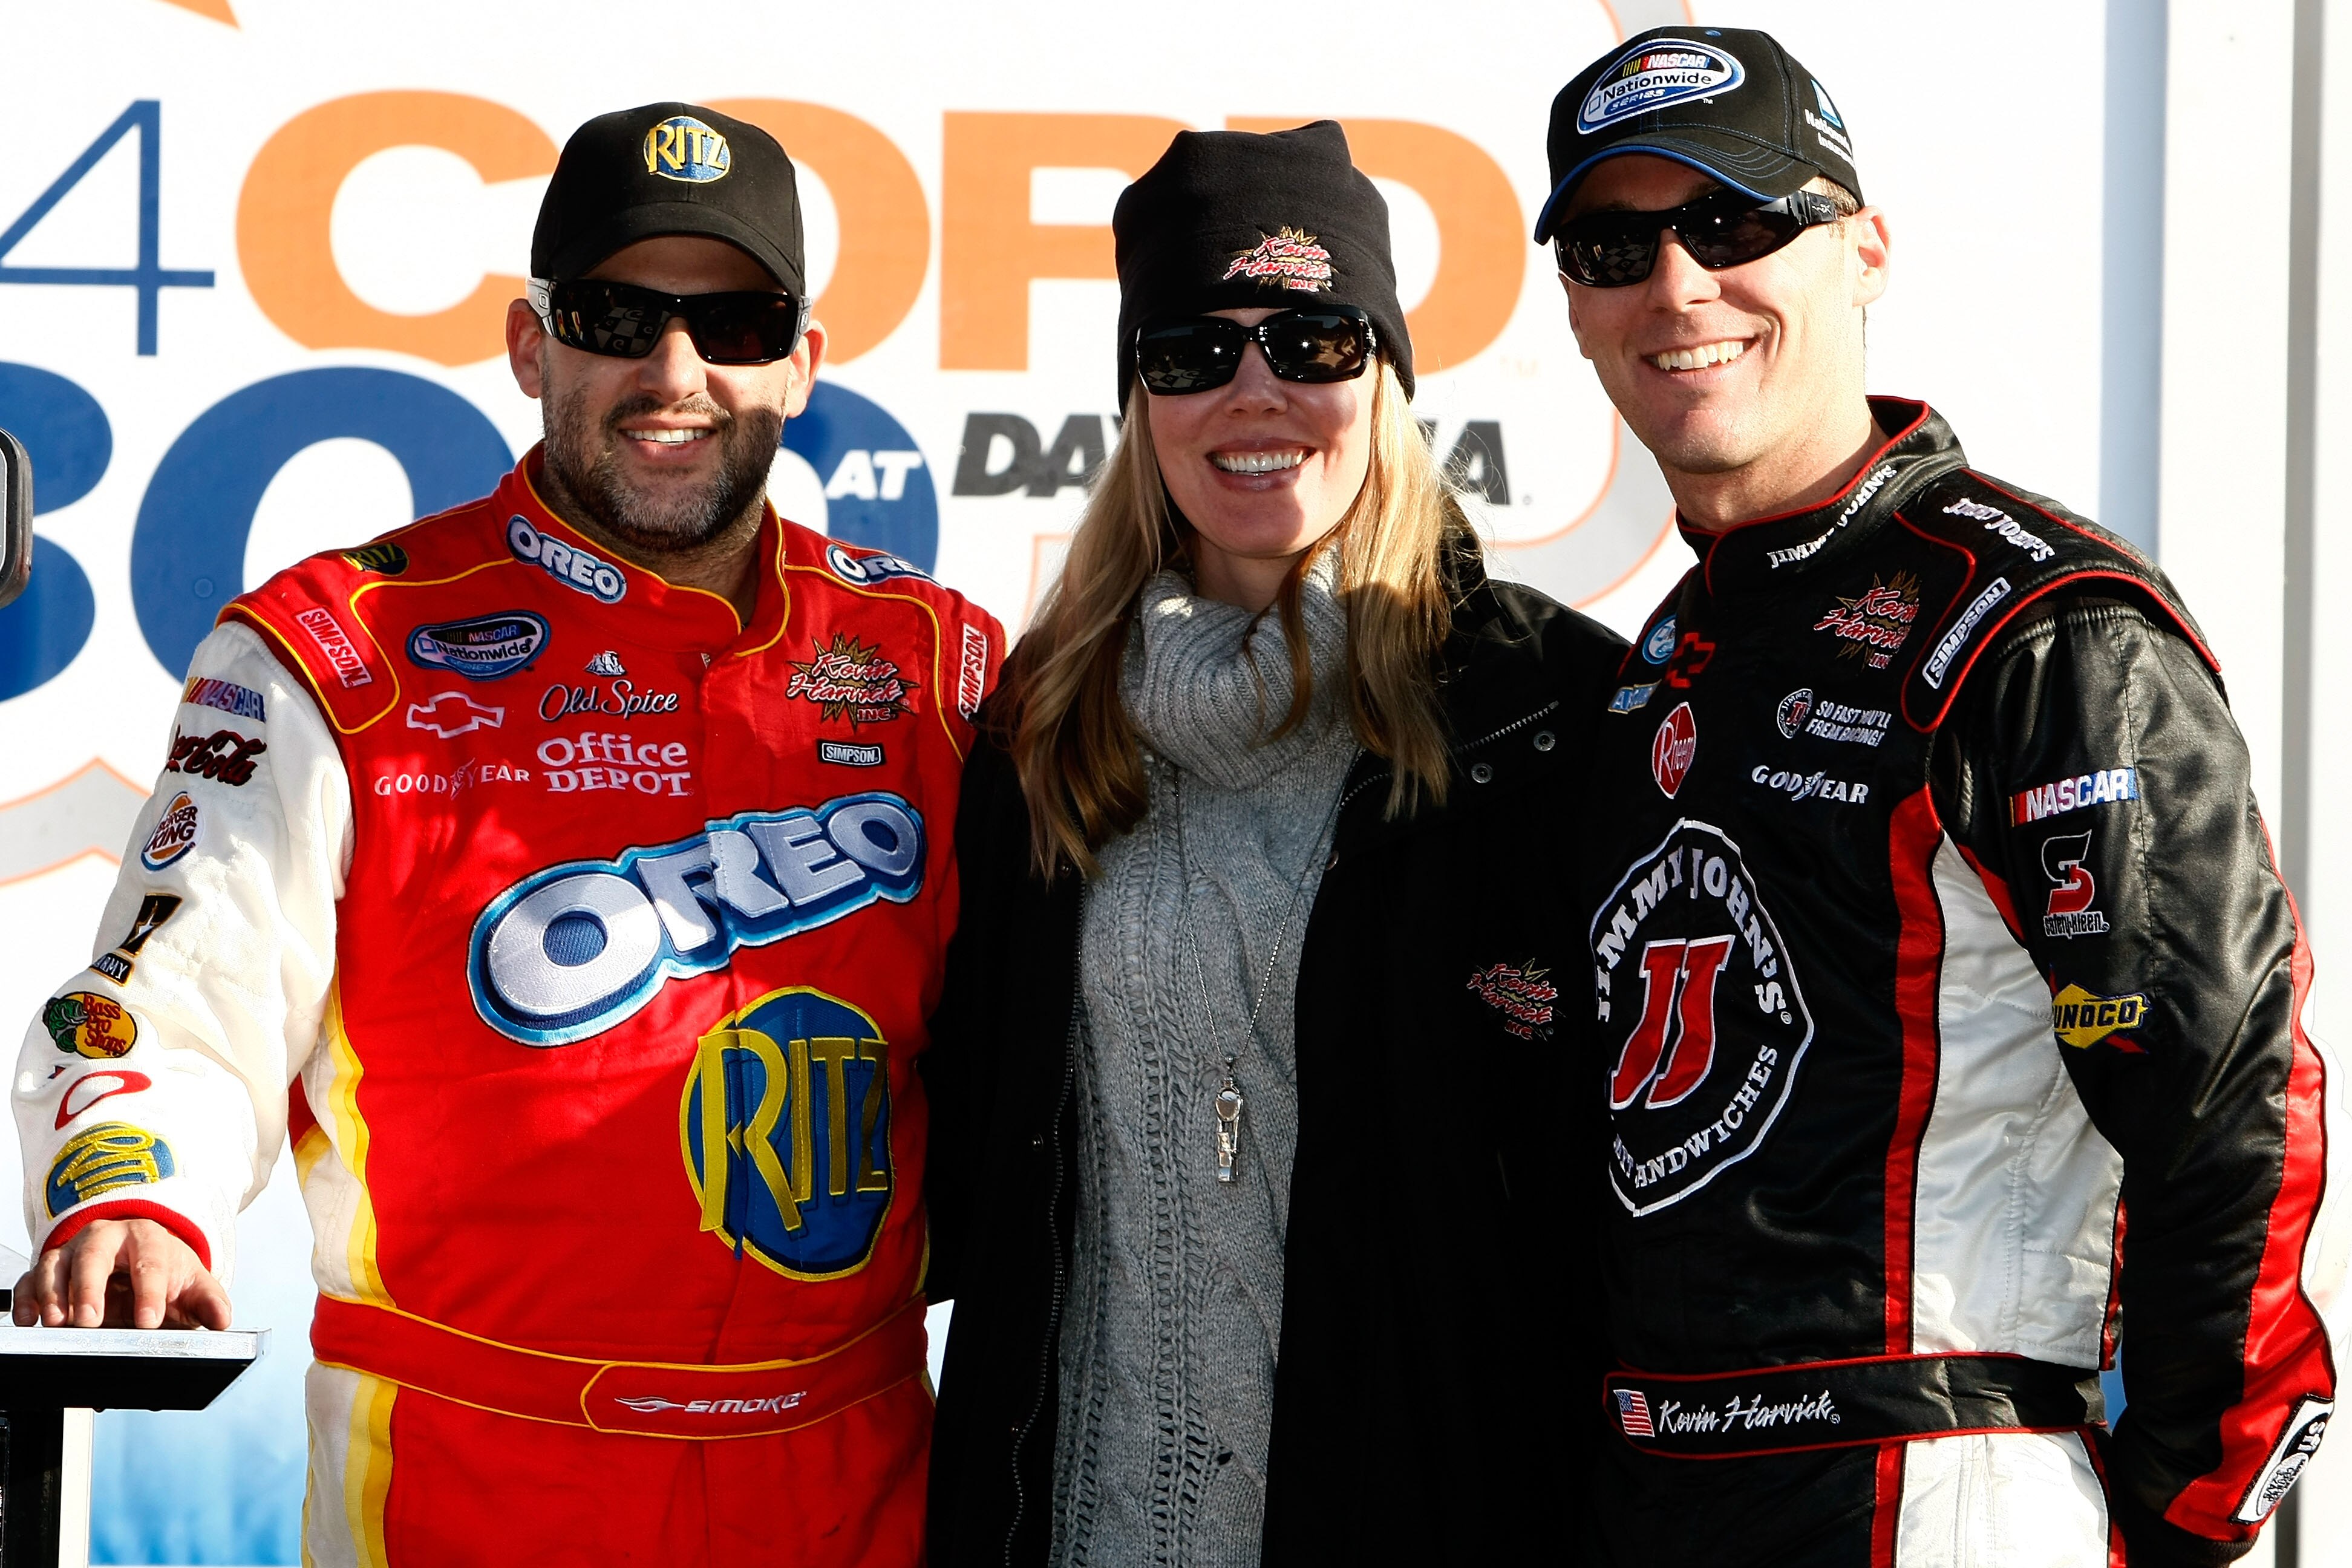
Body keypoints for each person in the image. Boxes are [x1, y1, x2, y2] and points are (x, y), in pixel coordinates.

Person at [11, 102, 1000, 1566]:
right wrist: (137, 1194)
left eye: (732, 321)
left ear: (802, 360)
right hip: (470, 1482)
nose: (676, 374)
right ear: (535, 346)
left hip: (858, 1482)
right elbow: (168, 1006)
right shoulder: (338, 650)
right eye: (619, 314)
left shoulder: (939, 660)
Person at [1534, 25, 2348, 1566]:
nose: (1676, 286)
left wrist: (2189, 1513)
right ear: (1575, 303)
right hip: (1664, 1489)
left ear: (1863, 250)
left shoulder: (2034, 625)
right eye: (1612, 242)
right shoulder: (1669, 652)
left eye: (1732, 223)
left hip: (1939, 1483)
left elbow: (2227, 1095)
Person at [920, 120, 1625, 1568]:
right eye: (1191, 349)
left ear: (1388, 378)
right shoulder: (1039, 734)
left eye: (1311, 340)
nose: (1255, 391)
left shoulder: (1547, 718)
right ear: (1140, 398)